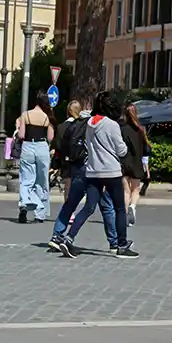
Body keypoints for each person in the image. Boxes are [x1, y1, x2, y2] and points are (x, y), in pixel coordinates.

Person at [52, 92, 138, 259]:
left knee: (88, 207)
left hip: (92, 170)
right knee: (120, 208)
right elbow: (121, 150)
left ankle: (69, 238)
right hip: (111, 171)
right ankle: (121, 244)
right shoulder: (112, 125)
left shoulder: (90, 123)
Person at [49, 103, 121, 254]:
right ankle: (114, 242)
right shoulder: (96, 125)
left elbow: (60, 146)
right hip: (94, 168)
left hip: (77, 167)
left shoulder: (71, 125)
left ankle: (57, 235)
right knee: (106, 205)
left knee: (71, 202)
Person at [17, 91, 55, 223]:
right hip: (42, 147)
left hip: (28, 145)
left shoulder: (25, 115)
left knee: (26, 179)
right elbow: (50, 137)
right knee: (42, 180)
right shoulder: (47, 117)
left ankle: (24, 205)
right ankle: (40, 214)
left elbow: (21, 135)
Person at [120, 104, 149, 225]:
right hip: (137, 163)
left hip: (124, 162)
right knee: (135, 190)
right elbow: (147, 149)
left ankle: (125, 215)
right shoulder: (141, 130)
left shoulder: (121, 129)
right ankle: (133, 206)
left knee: (126, 191)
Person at [55, 100, 83, 202]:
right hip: (81, 158)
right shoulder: (83, 125)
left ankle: (69, 209)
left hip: (66, 159)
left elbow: (58, 145)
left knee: (68, 184)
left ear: (68, 111)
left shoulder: (61, 127)